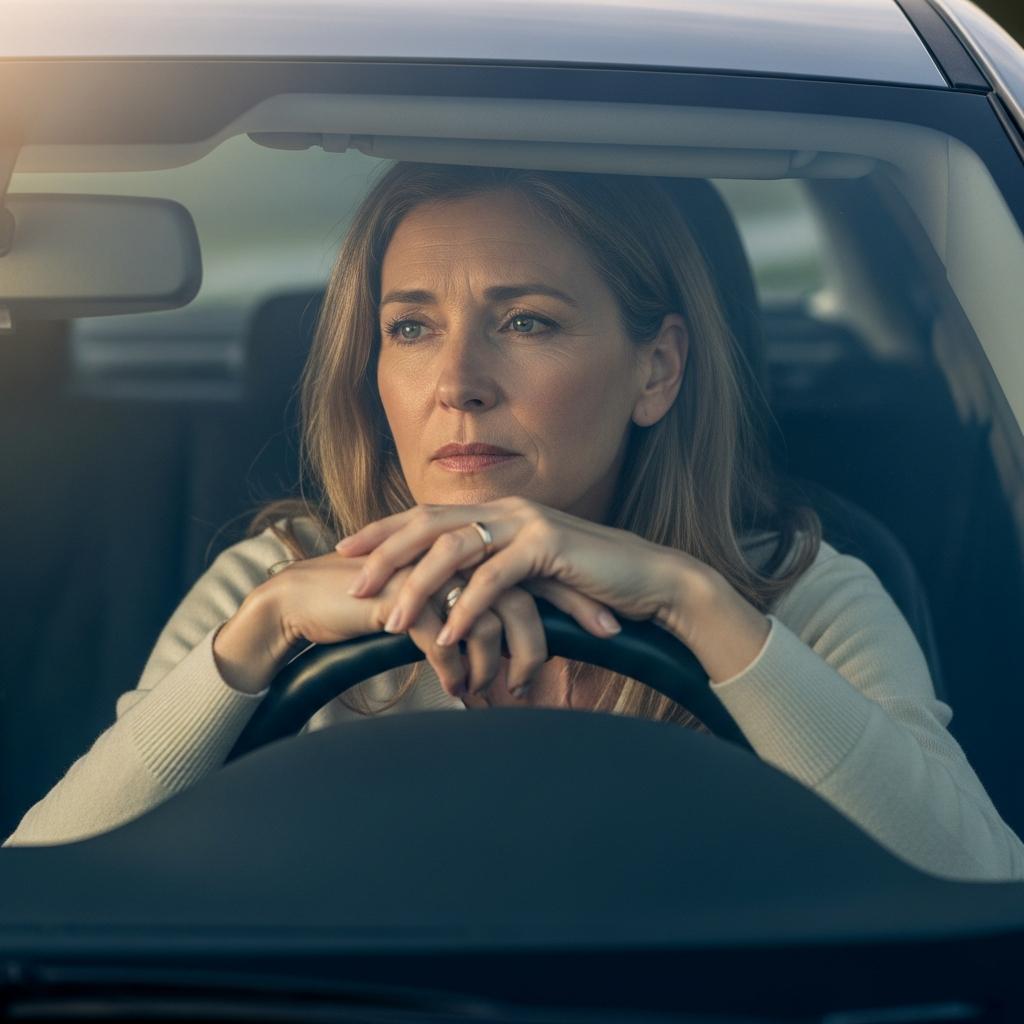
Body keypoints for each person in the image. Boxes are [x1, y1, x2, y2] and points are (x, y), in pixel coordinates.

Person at [5, 163, 1024, 882]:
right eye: (412, 327)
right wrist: (256, 638)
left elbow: (981, 885)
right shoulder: (272, 581)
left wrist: (694, 602)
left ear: (656, 369)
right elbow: (38, 889)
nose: (457, 382)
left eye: (526, 321)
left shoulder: (795, 590)